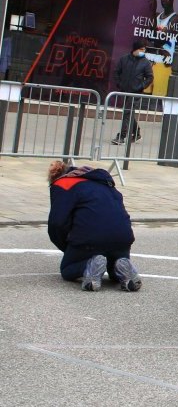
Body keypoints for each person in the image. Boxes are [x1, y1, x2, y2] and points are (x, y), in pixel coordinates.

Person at [47, 161, 140, 292]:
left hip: (91, 239)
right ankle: (120, 266)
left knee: (68, 269)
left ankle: (89, 265)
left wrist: (68, 247)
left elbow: (57, 223)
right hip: (122, 238)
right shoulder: (104, 183)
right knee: (115, 267)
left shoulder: (63, 184)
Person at [111, 39, 154, 145]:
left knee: (127, 112)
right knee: (129, 113)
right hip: (124, 90)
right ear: (135, 49)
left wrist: (141, 86)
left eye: (144, 49)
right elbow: (117, 72)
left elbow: (150, 77)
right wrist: (119, 84)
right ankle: (136, 132)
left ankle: (121, 136)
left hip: (136, 92)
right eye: (141, 49)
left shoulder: (145, 63)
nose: (143, 51)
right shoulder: (124, 59)